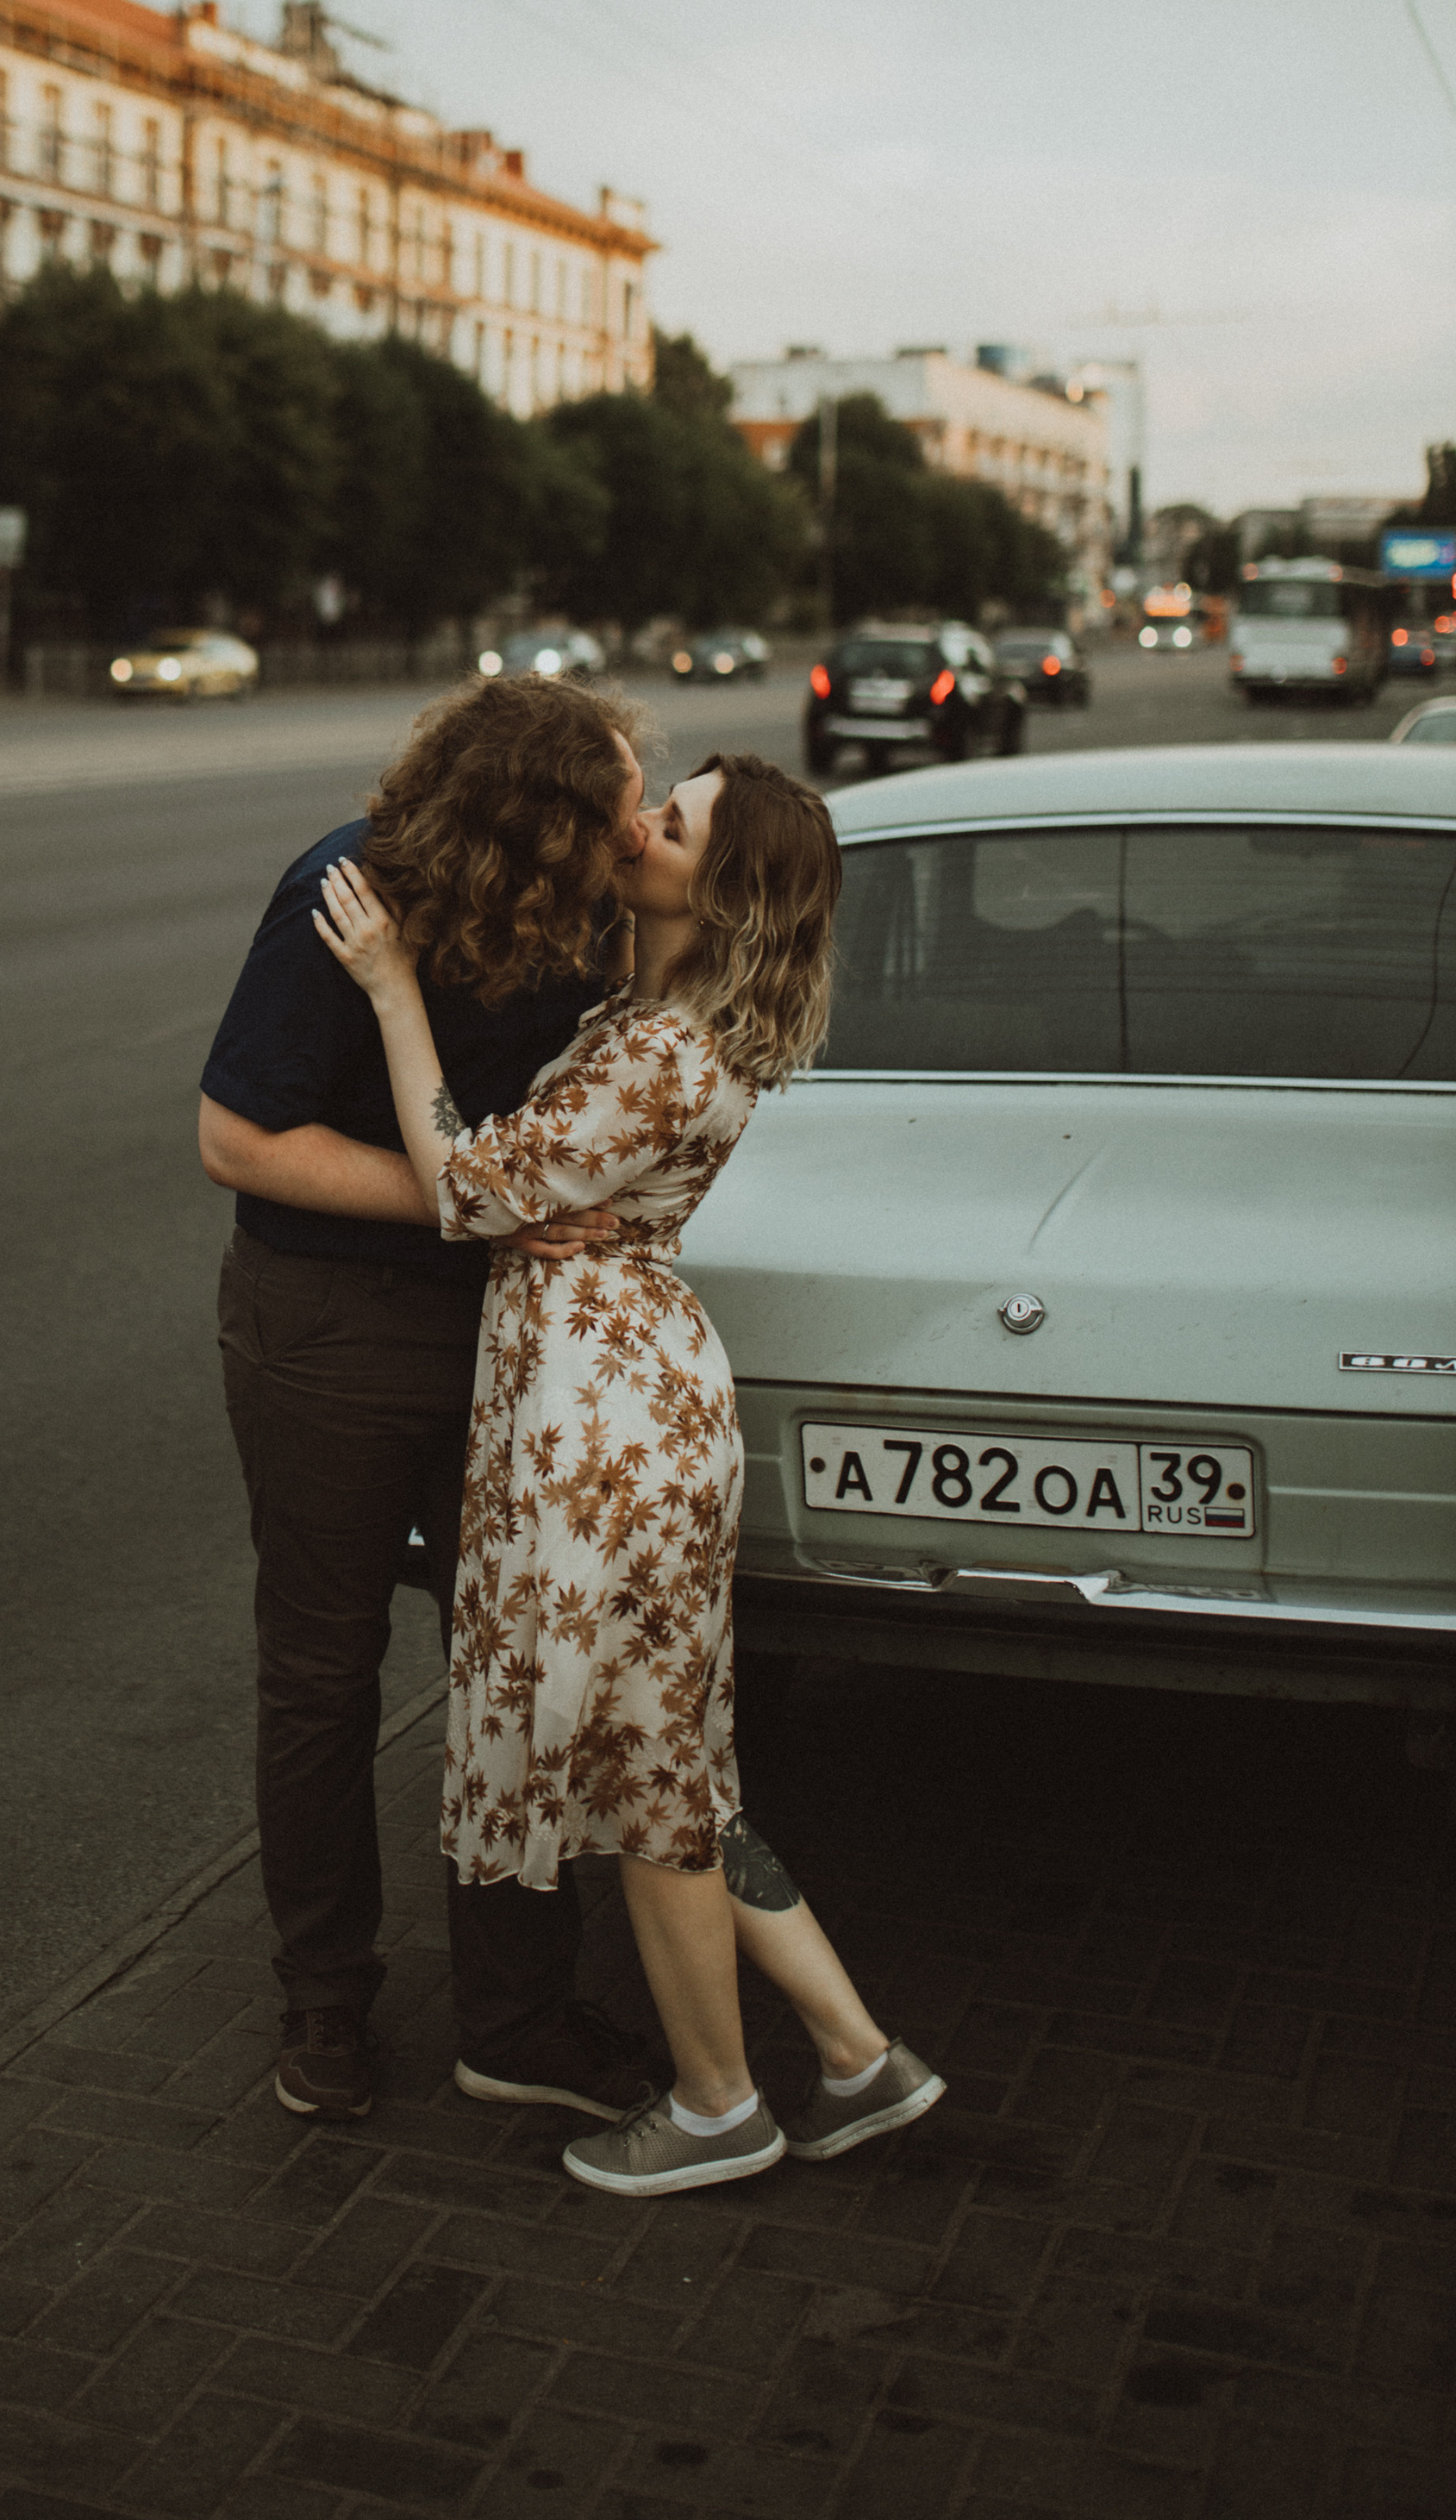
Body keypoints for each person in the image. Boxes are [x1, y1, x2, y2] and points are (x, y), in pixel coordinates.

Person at [314, 747, 945, 2193]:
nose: (640, 823)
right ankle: (858, 2059)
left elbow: (470, 1191)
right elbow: (523, 1196)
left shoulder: (667, 1046)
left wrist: (393, 987)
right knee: (680, 1772)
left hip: (614, 1425)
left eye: (675, 822)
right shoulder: (645, 1010)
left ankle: (720, 2109)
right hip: (607, 1394)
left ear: (720, 887)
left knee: (654, 1783)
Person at [199, 673, 660, 2125]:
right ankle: (327, 1999)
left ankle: (517, 2018)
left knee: (521, 1671)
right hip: (326, 1325)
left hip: (511, 1336)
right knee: (324, 1678)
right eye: (619, 805)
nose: (638, 826)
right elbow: (237, 1139)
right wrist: (478, 1207)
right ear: (534, 824)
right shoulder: (344, 896)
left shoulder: (598, 911)